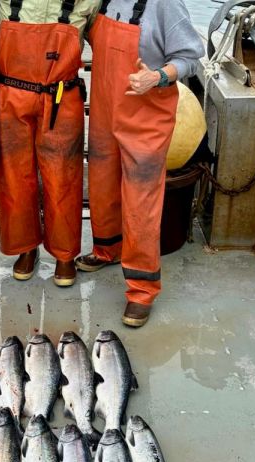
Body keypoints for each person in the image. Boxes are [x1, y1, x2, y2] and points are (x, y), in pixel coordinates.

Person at [75, 0, 203, 327]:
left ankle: (142, 289)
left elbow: (189, 57)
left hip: (146, 117)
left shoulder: (165, 4)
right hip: (106, 110)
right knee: (103, 183)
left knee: (141, 202)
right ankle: (107, 248)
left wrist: (158, 77)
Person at [0, 0, 99, 287]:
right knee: (14, 178)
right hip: (11, 96)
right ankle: (25, 248)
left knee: (63, 178)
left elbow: (108, 36)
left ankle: (65, 255)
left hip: (61, 98)